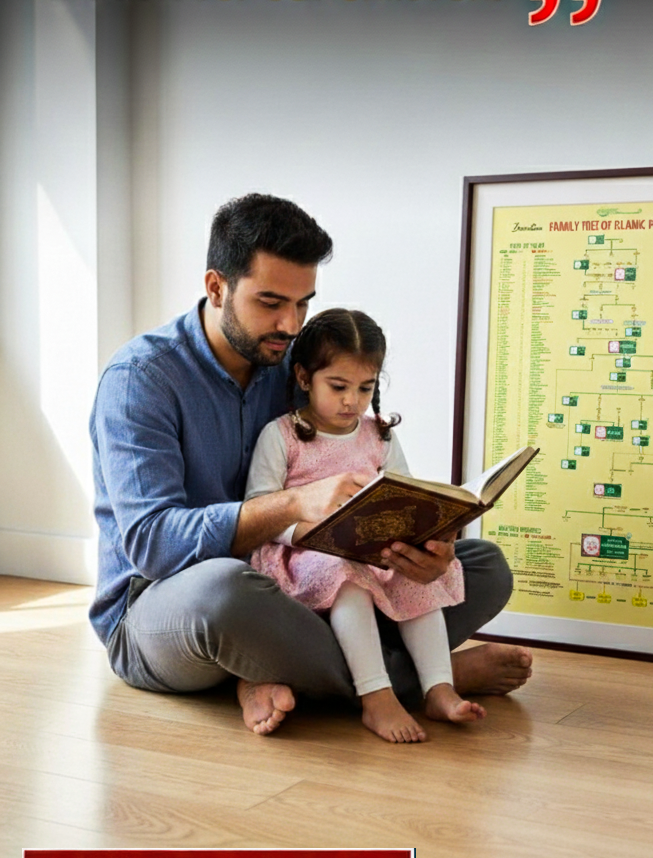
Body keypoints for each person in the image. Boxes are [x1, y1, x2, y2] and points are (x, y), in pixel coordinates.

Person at [90, 193, 532, 734]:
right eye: (271, 302)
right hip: (165, 604)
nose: (290, 322)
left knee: (480, 564)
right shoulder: (141, 380)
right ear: (216, 287)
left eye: (302, 304)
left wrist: (425, 548)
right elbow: (153, 544)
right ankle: (425, 679)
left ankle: (280, 675)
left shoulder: (293, 366)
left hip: (301, 586)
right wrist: (295, 503)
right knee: (226, 591)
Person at [246, 307, 486, 743]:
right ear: (304, 378)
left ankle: (439, 686)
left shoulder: (379, 434)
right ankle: (376, 696)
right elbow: (261, 506)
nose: (350, 401)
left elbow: (409, 494)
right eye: (337, 386)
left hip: (373, 552)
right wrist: (303, 531)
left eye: (364, 387)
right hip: (304, 556)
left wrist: (432, 533)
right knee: (345, 576)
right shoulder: (281, 435)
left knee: (417, 576)